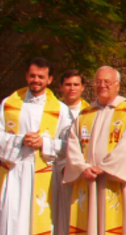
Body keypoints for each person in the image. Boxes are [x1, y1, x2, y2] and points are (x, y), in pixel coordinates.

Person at [0, 57, 73, 235]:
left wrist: (45, 143)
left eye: (41, 77)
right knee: (13, 220)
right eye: (32, 76)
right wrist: (20, 141)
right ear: (26, 76)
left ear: (49, 80)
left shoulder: (61, 110)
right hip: (14, 171)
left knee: (43, 221)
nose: (36, 80)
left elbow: (70, 144)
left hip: (45, 174)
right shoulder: (9, 104)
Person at [63, 66, 126, 235]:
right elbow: (73, 142)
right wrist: (82, 168)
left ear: (117, 85)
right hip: (87, 179)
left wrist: (104, 167)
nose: (102, 85)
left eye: (107, 82)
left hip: (113, 179)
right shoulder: (85, 112)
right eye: (99, 82)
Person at [53, 69, 88, 234]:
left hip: (81, 171)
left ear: (83, 88)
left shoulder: (90, 111)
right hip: (55, 170)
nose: (71, 88)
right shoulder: (51, 109)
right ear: (61, 87)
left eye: (76, 84)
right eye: (67, 84)